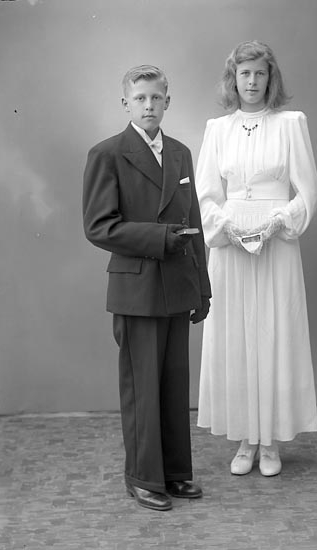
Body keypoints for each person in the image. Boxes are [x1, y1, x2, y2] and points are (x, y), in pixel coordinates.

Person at [83, 65, 211, 511]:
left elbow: (194, 223)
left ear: (167, 102)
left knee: (173, 386)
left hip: (178, 286)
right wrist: (159, 239)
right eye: (140, 98)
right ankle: (142, 478)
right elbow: (99, 227)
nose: (149, 106)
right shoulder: (107, 154)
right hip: (137, 290)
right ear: (126, 104)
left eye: (156, 98)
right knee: (143, 389)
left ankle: (174, 473)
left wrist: (203, 287)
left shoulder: (180, 153)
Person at [196, 41, 317, 477]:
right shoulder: (217, 129)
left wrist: (278, 222)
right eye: (244, 73)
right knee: (236, 335)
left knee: (272, 331)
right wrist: (226, 227)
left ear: (271, 78)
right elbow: (206, 193)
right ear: (233, 79)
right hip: (231, 242)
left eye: (259, 73)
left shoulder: (290, 124)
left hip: (275, 240)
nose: (251, 81)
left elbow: (308, 190)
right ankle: (246, 439)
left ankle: (270, 442)